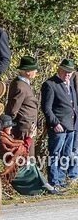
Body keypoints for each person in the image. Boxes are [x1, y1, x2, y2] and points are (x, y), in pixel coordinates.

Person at [40, 59, 77, 188]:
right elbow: (46, 108)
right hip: (58, 126)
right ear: (59, 70)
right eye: (65, 71)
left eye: (70, 72)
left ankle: (60, 181)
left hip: (71, 125)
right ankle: (53, 181)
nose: (68, 74)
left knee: (66, 154)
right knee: (55, 154)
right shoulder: (50, 84)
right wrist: (55, 123)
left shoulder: (70, 83)